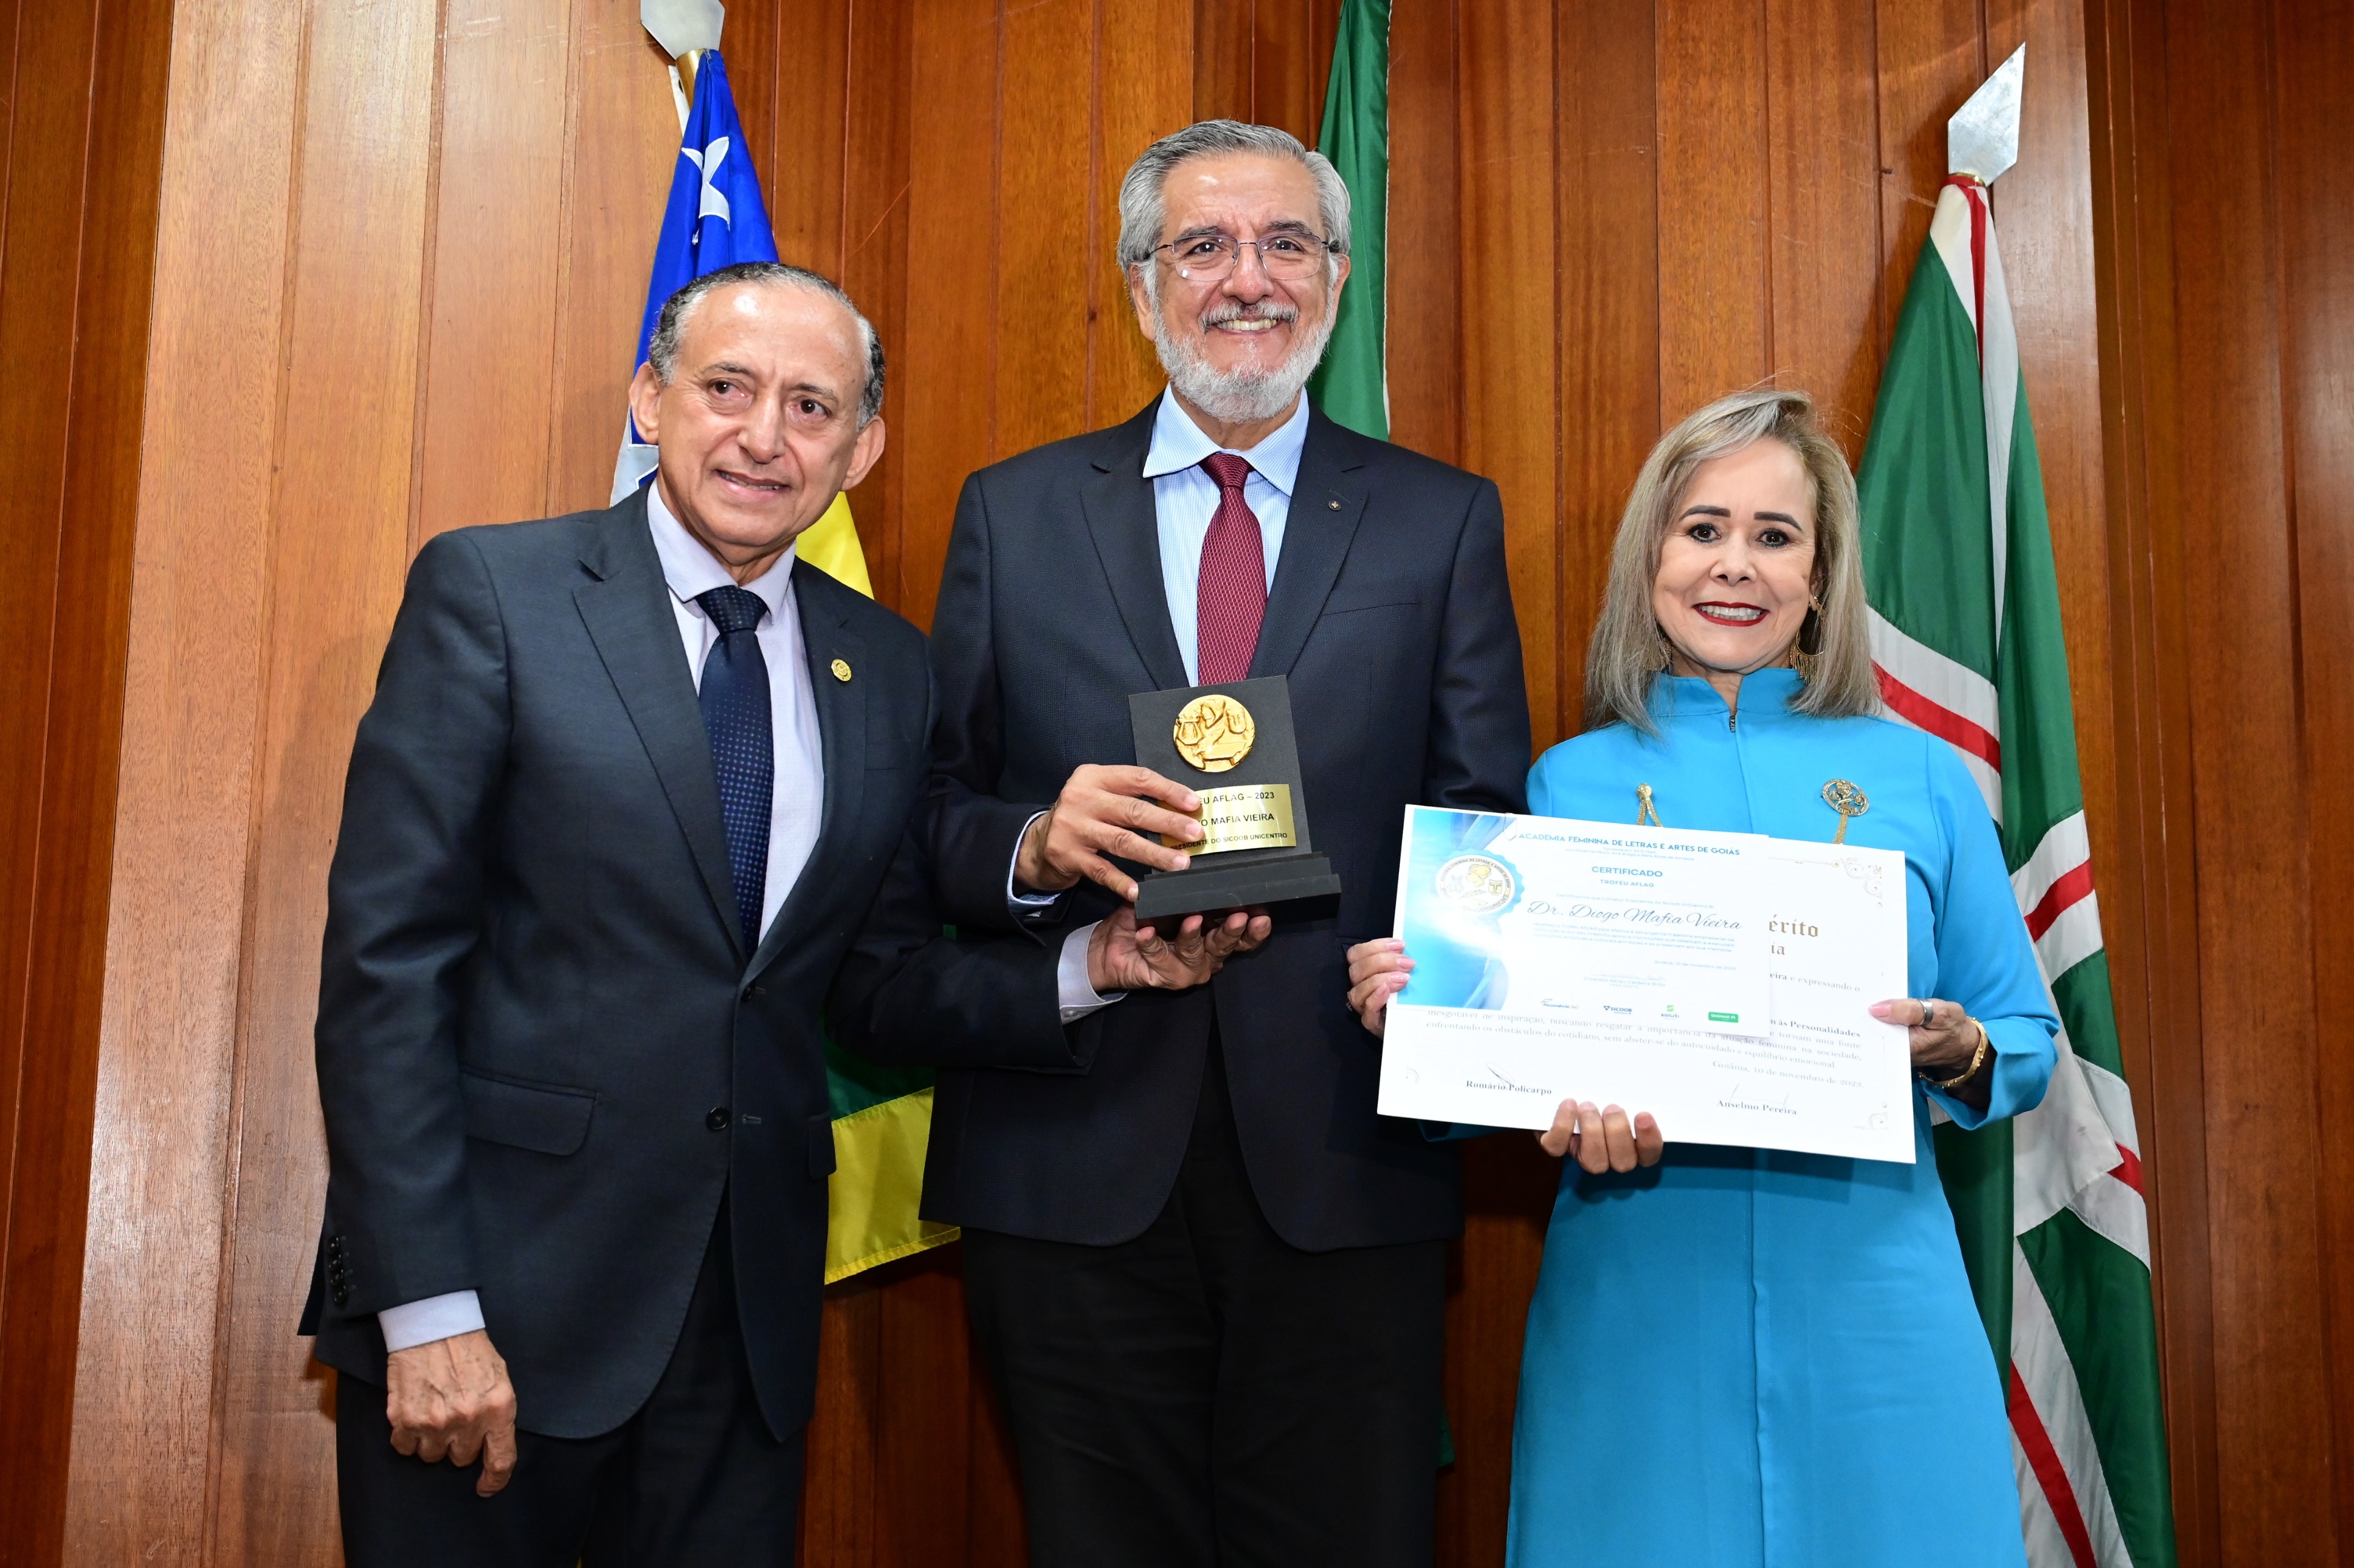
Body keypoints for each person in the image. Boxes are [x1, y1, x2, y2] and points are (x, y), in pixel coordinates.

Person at [301, 260, 1249, 1566]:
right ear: (651, 401)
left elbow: (872, 982)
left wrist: (1095, 964)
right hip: (498, 1315)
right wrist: (424, 1309)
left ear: (862, 450)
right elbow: (387, 974)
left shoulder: (887, 665)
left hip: (741, 1346)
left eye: (811, 407)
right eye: (727, 389)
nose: (764, 437)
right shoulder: (496, 595)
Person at [874, 119, 1530, 1568]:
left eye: (1287, 243)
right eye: (1204, 246)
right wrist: (1039, 843)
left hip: (1349, 1151)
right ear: (1141, 283)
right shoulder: (1012, 511)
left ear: (1336, 279)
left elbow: (1481, 825)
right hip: (1068, 1149)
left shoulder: (1439, 519)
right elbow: (924, 816)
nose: (1249, 278)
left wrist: (1445, 970)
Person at [1347, 388, 2057, 1567]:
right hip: (1637, 1292)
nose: (1736, 565)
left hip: (1878, 1301)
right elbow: (1503, 1056)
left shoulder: (1923, 776)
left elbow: (2023, 1036)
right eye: (1703, 529)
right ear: (1651, 561)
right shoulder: (1563, 782)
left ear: (1821, 578)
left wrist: (1957, 1046)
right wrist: (1422, 1016)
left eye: (1775, 536)